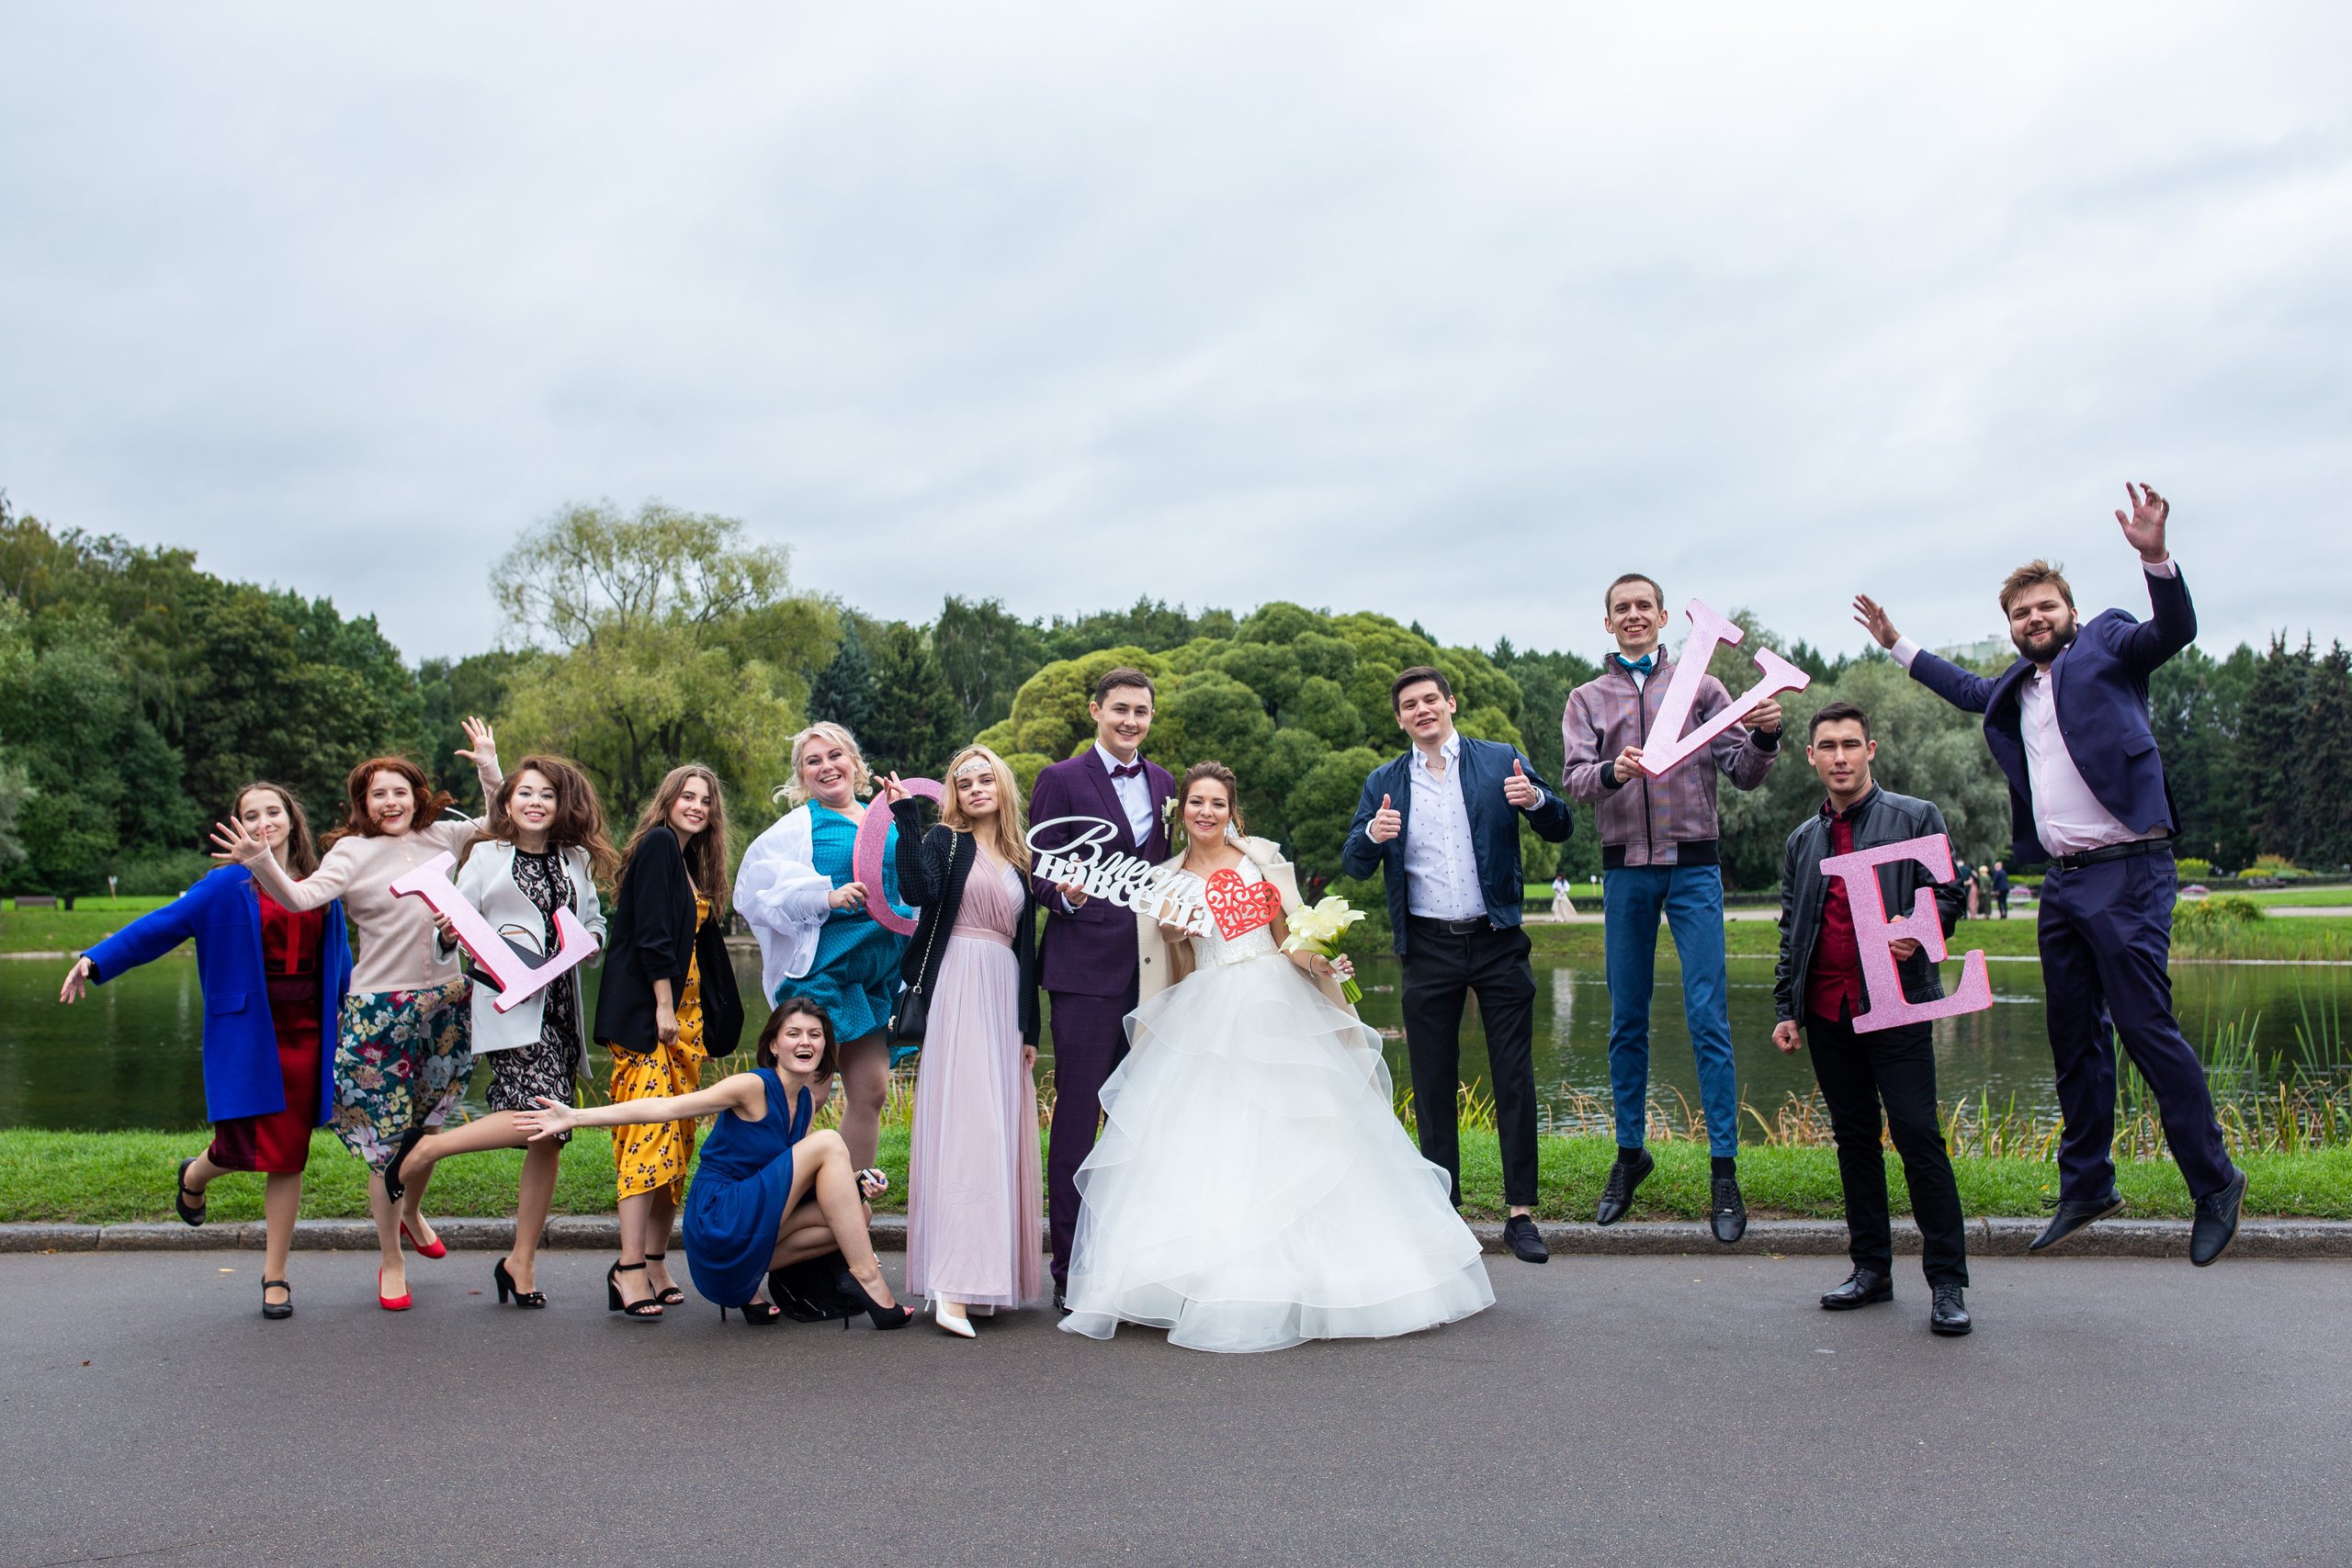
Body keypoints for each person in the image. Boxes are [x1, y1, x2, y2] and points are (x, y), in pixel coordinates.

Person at [1853, 482, 2245, 1264]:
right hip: (2063, 882)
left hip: (2129, 870)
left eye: (2045, 607)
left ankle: (2215, 1182)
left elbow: (2174, 629)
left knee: (2143, 1027)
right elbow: (1964, 688)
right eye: (2020, 613)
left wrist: (2157, 559)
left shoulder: (2109, 643)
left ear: (2069, 610)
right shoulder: (2015, 684)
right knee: (2072, 1034)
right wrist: (1897, 642)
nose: (2034, 619)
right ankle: (2087, 1183)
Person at [1065, 761, 1496, 1352]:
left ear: (1231, 811)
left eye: (1217, 803)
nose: (1207, 813)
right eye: (1196, 803)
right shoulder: (1164, 877)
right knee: (1212, 1136)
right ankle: (1204, 1279)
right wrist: (1172, 922)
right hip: (1207, 1007)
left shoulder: (1260, 860)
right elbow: (1169, 941)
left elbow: (1288, 939)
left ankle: (1325, 1277)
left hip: (1277, 997)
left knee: (1307, 1128)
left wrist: (1322, 961)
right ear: (1181, 811)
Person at [213, 725, 503, 1311]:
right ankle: (391, 1259)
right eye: (378, 795)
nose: (390, 803)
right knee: (386, 1142)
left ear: (416, 796)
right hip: (380, 1013)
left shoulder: (445, 836)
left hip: (446, 1003)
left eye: (399, 792)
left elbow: (502, 824)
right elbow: (299, 898)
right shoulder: (349, 853)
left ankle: (412, 1212)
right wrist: (263, 861)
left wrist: (489, 768)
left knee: (429, 1127)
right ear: (362, 805)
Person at [63, 782, 351, 1320]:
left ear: (292, 819)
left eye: (273, 812)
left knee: (289, 1154)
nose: (264, 822)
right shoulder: (224, 886)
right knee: (236, 1144)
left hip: (309, 1033)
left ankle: (275, 1275)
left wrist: (347, 1004)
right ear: (238, 826)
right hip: (249, 1032)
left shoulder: (321, 881)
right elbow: (158, 927)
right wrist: (95, 959)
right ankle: (194, 1176)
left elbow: (339, 955)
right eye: (251, 815)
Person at [1561, 573, 1783, 1242]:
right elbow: (1575, 780)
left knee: (1708, 1016)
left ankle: (1724, 1170)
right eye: (1621, 608)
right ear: (1608, 623)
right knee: (1626, 1019)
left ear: (1662, 617)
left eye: (1644, 606)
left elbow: (1743, 771)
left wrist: (1766, 737)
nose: (1633, 615)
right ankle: (1631, 1156)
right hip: (1625, 870)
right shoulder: (1586, 698)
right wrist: (1615, 770)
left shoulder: (1703, 687)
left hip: (1694, 868)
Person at [1340, 666, 1575, 1265]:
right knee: (1432, 1082)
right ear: (1400, 719)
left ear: (1450, 703)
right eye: (1409, 705)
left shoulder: (1499, 760)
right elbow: (1354, 862)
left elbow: (1562, 824)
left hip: (1497, 940)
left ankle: (1520, 1215)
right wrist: (1372, 834)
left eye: (1430, 699)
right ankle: (1445, 1214)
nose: (1422, 710)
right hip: (1428, 947)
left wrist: (1536, 800)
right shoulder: (1384, 781)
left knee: (1514, 1076)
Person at [514, 996, 912, 1332]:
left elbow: (794, 1172)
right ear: (774, 1045)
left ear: (825, 1046)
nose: (805, 1042)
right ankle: (868, 1279)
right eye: (793, 1034)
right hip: (719, 1214)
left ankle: (748, 1278)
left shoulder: (805, 1100)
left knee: (859, 1212)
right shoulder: (752, 1086)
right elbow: (664, 1108)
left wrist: (855, 1180)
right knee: (828, 1142)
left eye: (815, 1035)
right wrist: (574, 1116)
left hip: (754, 1214)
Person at [379, 756, 615, 1309]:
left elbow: (595, 921)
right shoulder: (485, 856)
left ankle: (520, 1262)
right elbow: (453, 931)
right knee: (541, 1116)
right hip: (508, 1003)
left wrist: (594, 941)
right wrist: (446, 934)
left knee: (549, 1134)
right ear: (507, 803)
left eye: (547, 794)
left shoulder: (576, 859)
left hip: (561, 1007)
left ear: (561, 805)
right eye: (525, 792)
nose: (536, 802)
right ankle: (427, 1148)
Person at [1769, 703, 1973, 1337]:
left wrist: (1921, 925)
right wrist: (1786, 1009)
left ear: (1871, 750)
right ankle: (1871, 1270)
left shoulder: (1915, 816)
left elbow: (1950, 894)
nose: (1840, 757)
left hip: (1896, 1003)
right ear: (1811, 756)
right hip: (1828, 1009)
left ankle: (1947, 1282)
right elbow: (1792, 931)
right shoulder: (1802, 841)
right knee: (1855, 1140)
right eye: (1828, 746)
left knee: (1917, 1135)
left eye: (1851, 744)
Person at [884, 746, 1067, 1337]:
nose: (977, 789)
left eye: (986, 779)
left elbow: (1026, 950)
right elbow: (917, 891)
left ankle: (981, 1279)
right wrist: (906, 818)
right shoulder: (946, 841)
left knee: (997, 1132)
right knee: (968, 1129)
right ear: (955, 796)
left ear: (1002, 787)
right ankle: (953, 1285)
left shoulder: (1020, 857)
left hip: (1003, 991)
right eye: (965, 783)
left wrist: (1030, 1028)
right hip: (958, 984)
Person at [1026, 668, 1176, 1307]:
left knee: (1141, 1120)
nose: (1130, 721)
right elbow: (1034, 869)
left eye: (1140, 711)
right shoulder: (1060, 779)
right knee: (1078, 1120)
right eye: (1120, 709)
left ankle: (1128, 1260)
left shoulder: (1166, 783)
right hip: (1084, 972)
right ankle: (1071, 1270)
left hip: (1155, 972)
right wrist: (1064, 895)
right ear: (1096, 711)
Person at [591, 764, 747, 1317]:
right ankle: (628, 1267)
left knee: (675, 1143)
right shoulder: (659, 846)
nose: (697, 806)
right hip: (651, 1024)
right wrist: (662, 1006)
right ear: (668, 801)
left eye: (706, 800)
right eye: (688, 796)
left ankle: (655, 1261)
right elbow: (653, 936)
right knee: (646, 1139)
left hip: (686, 1030)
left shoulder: (687, 861)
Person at [733, 722, 911, 1173]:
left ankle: (851, 1197)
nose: (827, 767)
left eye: (835, 756)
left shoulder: (884, 818)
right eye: (813, 761)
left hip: (876, 978)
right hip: (822, 976)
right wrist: (824, 897)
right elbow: (753, 892)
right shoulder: (798, 827)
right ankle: (772, 1196)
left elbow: (910, 886)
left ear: (854, 762)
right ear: (802, 776)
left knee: (871, 1091)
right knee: (807, 1092)